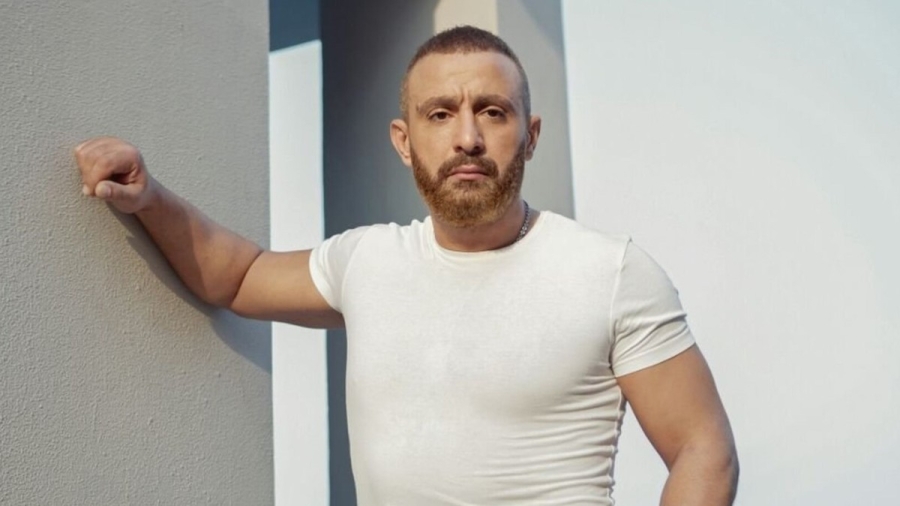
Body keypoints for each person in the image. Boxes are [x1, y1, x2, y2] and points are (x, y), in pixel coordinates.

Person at [75, 26, 738, 506]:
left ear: (530, 135)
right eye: (440, 114)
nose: (467, 137)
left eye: (493, 112)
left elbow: (703, 450)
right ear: (404, 140)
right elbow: (238, 276)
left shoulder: (611, 271)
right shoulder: (365, 261)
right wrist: (149, 197)